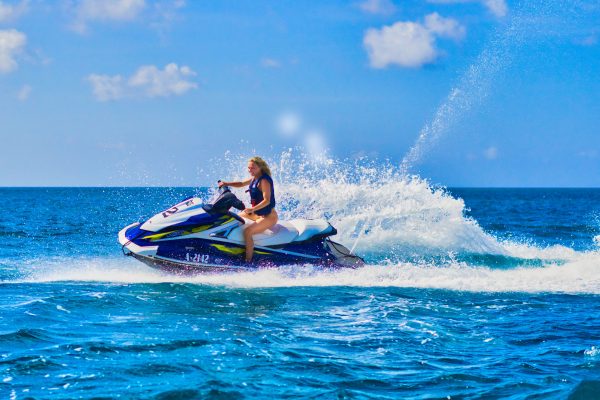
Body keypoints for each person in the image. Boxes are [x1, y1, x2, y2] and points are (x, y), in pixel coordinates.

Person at [218, 156, 278, 262]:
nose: (250, 170)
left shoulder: (264, 180)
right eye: (249, 168)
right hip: (257, 213)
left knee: (248, 231)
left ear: (260, 167)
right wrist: (226, 183)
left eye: (253, 168)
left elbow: (267, 200)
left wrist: (251, 209)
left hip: (269, 216)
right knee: (233, 218)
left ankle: (248, 261)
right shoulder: (254, 178)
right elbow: (241, 183)